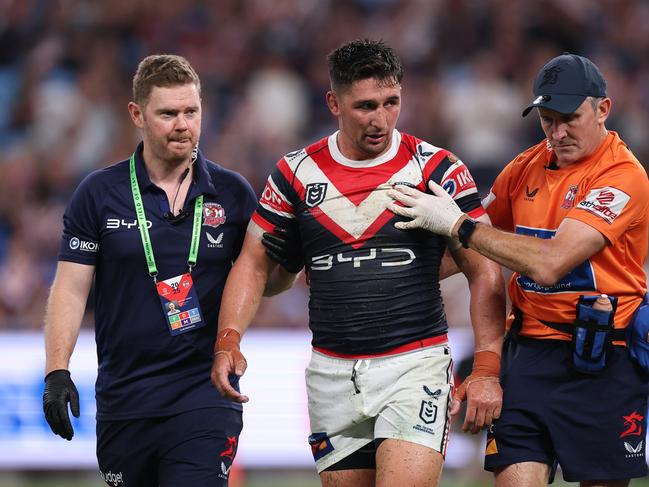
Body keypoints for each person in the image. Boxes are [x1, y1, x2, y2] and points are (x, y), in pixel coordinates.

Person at [211, 39, 506, 487]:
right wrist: (229, 339)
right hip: (332, 374)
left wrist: (485, 368)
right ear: (334, 102)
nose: (381, 119)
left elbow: (483, 269)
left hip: (415, 367)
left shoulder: (437, 170)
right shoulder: (295, 173)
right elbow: (253, 265)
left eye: (391, 103)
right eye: (366, 106)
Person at [388, 53, 649, 486]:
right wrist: (379, 273)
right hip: (527, 355)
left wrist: (457, 224)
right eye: (547, 119)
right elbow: (474, 249)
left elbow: (549, 263)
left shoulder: (623, 177)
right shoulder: (525, 167)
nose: (557, 132)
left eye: (569, 118)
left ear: (603, 109)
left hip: (605, 360)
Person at [42, 54, 296, 487]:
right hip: (125, 401)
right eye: (168, 113)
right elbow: (69, 290)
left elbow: (261, 282)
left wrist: (289, 263)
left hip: (206, 392)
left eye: (191, 111)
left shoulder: (232, 193)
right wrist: (56, 371)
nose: (183, 125)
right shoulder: (99, 194)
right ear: (137, 114)